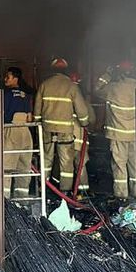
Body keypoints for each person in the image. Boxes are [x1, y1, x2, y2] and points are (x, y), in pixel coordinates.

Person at [96, 61, 136, 201]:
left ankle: (121, 196)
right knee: (134, 164)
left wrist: (107, 74)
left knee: (119, 164)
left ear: (119, 73)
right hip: (135, 135)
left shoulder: (112, 88)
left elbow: (97, 89)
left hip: (117, 134)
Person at [34, 57, 93, 193]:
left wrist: (38, 125)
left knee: (46, 159)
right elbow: (82, 111)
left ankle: (43, 189)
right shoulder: (71, 86)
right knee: (66, 162)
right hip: (65, 130)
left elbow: (37, 109)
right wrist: (84, 123)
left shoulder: (44, 85)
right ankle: (65, 192)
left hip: (47, 129)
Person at [2, 67, 35, 199]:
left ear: (15, 78)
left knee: (7, 167)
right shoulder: (25, 95)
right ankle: (22, 200)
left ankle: (5, 200)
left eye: (8, 77)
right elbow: (30, 118)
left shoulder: (6, 95)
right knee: (24, 167)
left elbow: (1, 114)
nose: (5, 79)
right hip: (26, 133)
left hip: (11, 131)